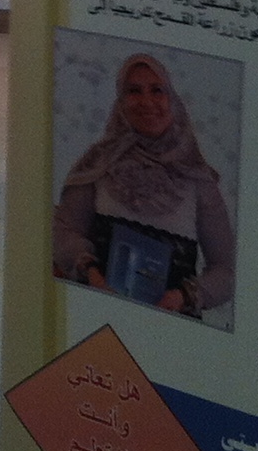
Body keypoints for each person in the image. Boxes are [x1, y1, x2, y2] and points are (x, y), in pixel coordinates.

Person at [53, 53, 235, 323]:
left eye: (157, 90)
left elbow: (227, 271)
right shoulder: (98, 163)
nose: (146, 102)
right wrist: (90, 272)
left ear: (172, 100)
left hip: (171, 327)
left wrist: (183, 297)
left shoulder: (198, 179)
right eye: (134, 91)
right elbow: (62, 231)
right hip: (98, 315)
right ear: (121, 101)